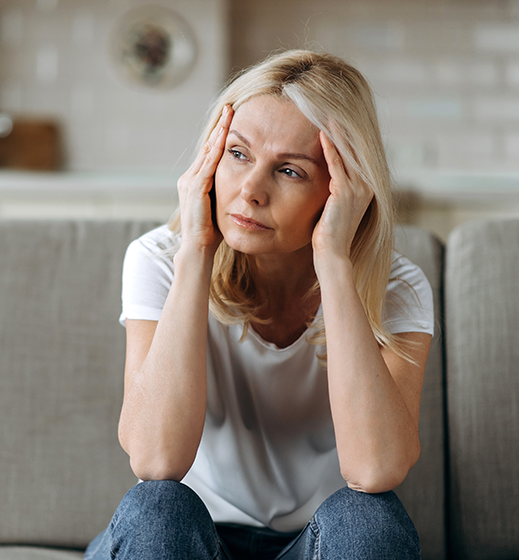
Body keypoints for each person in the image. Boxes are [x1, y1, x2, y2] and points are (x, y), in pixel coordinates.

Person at [85, 49, 434, 560]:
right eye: (238, 154)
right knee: (157, 509)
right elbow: (155, 461)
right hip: (186, 543)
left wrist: (333, 261)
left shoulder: (396, 287)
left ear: (344, 190)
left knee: (370, 522)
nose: (249, 191)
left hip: (311, 546)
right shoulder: (159, 260)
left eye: (290, 171)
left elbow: (375, 471)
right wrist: (197, 251)